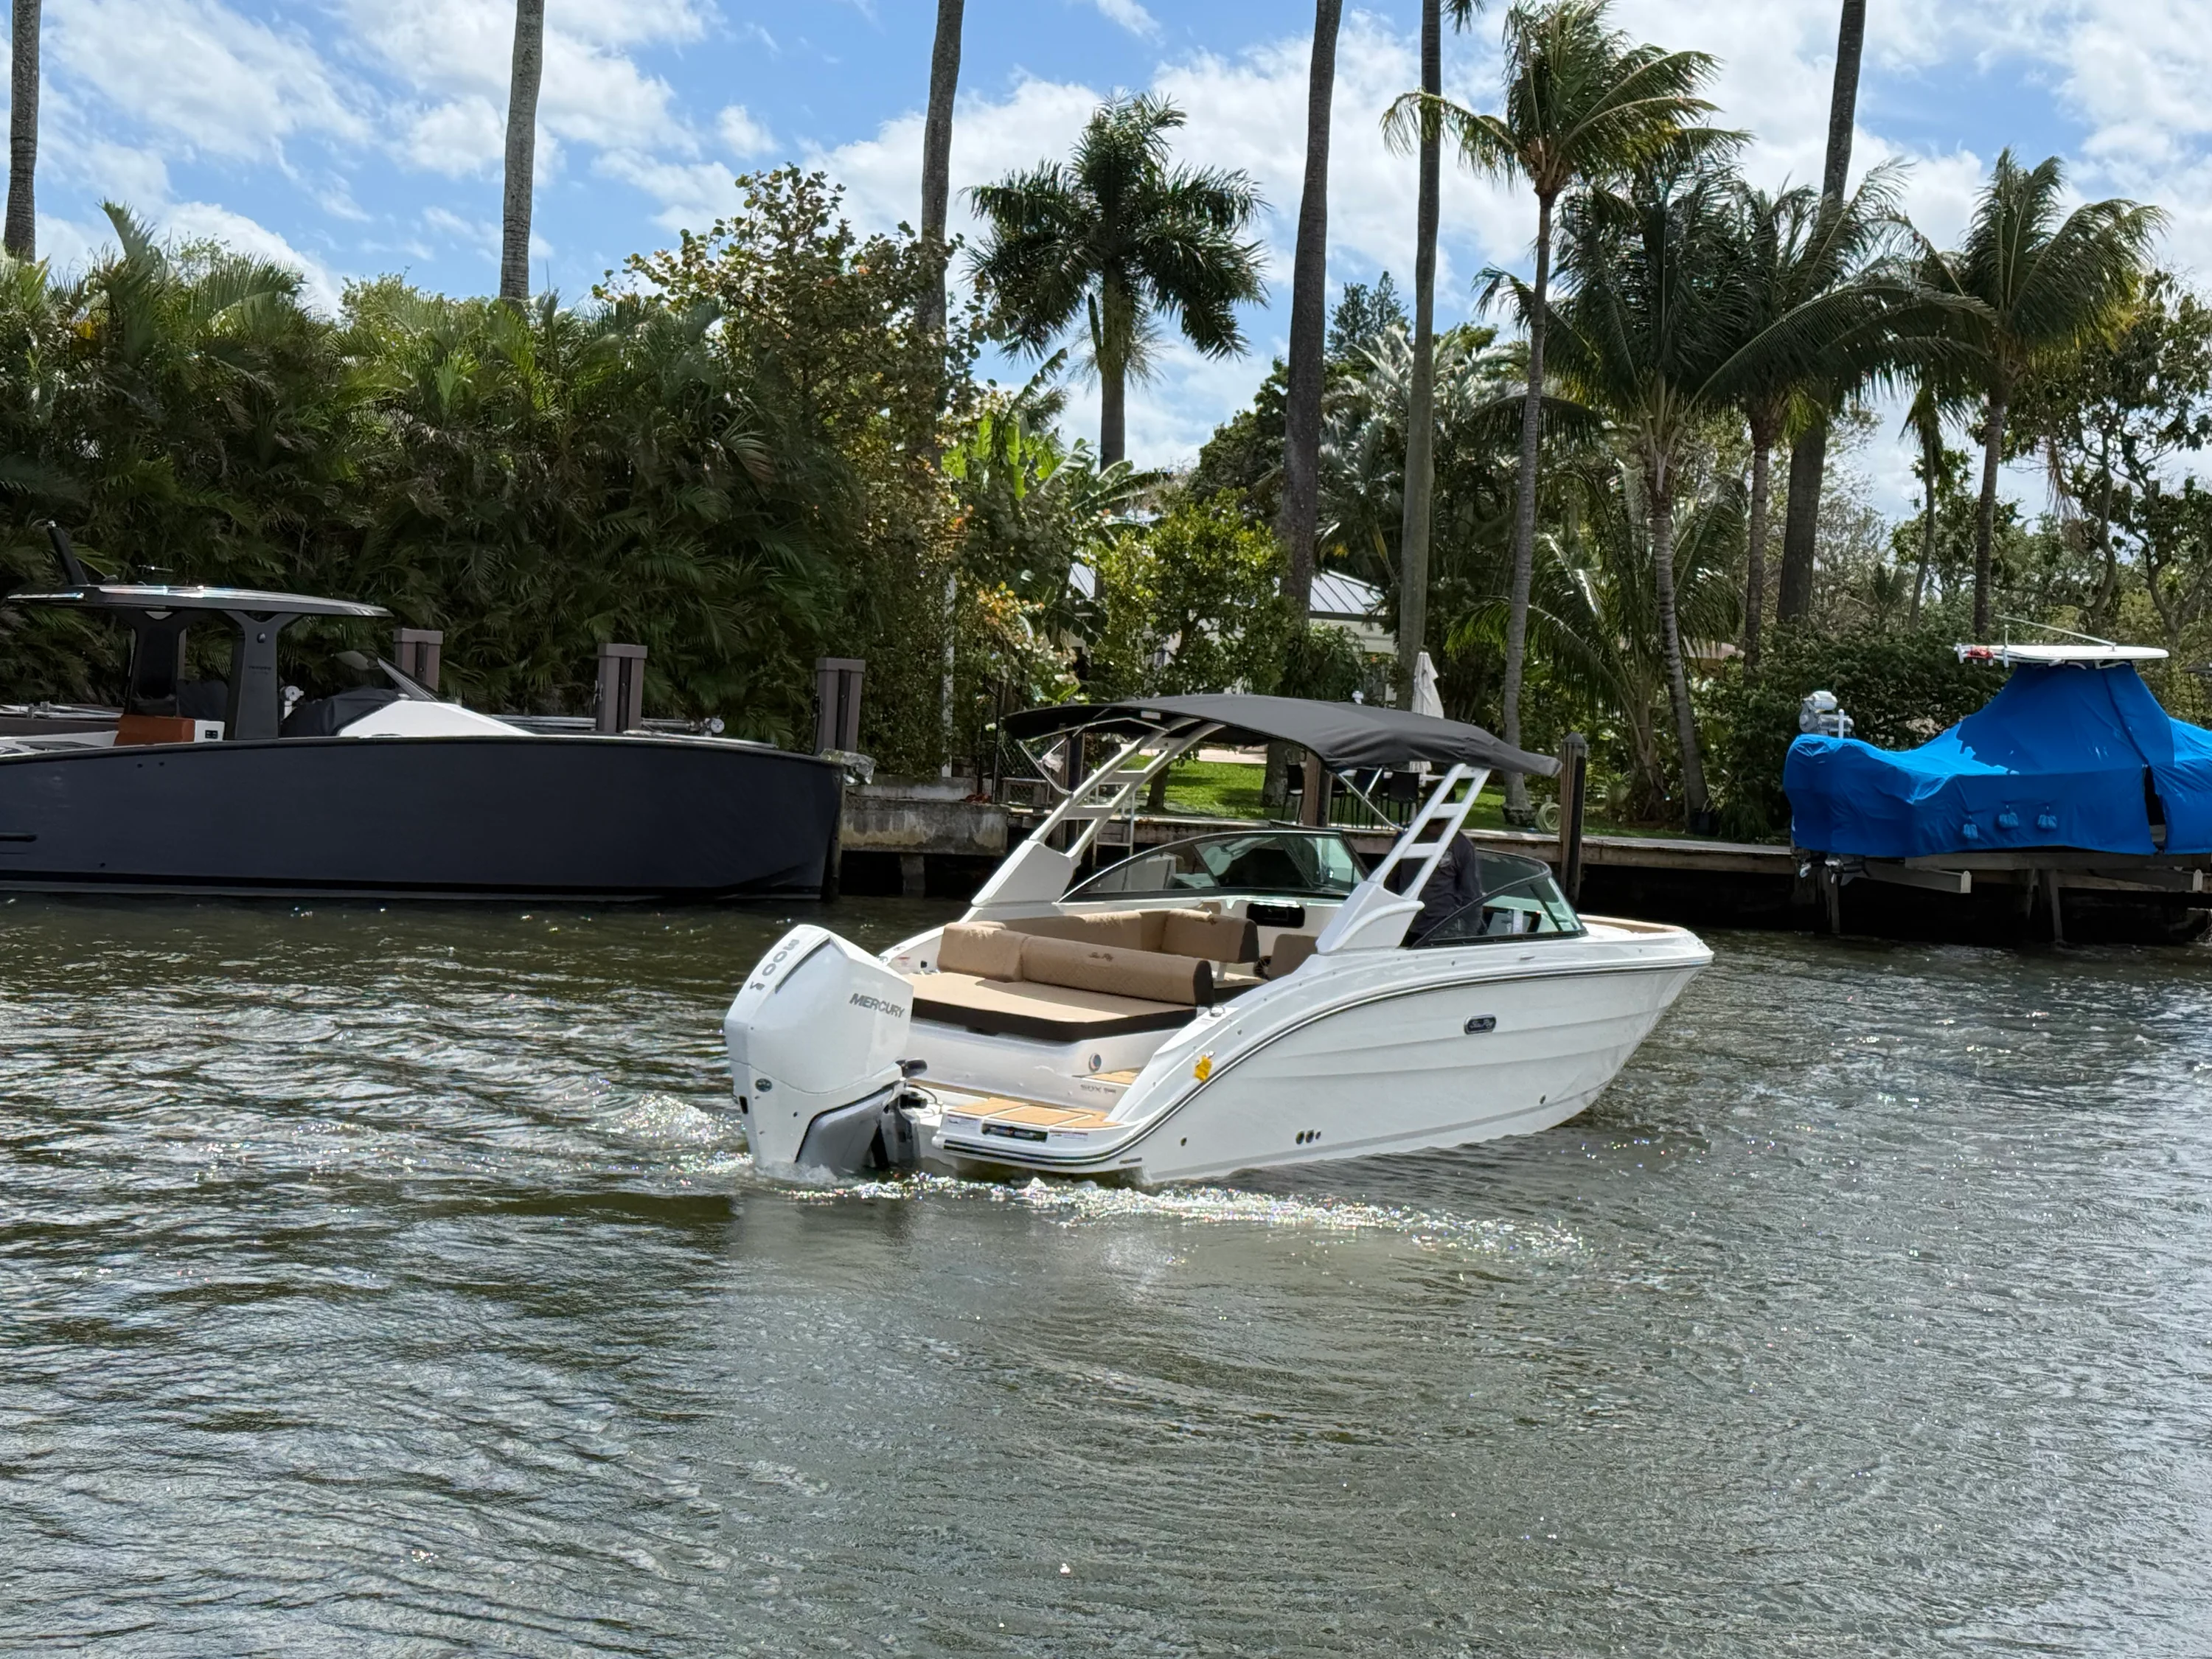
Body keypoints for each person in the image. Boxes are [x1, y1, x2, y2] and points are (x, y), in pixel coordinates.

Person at [1386, 830, 1481, 942]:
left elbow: (1472, 895)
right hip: (1405, 924)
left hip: (1441, 928)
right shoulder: (1405, 837)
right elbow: (1391, 881)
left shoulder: (1461, 844)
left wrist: (1470, 936)